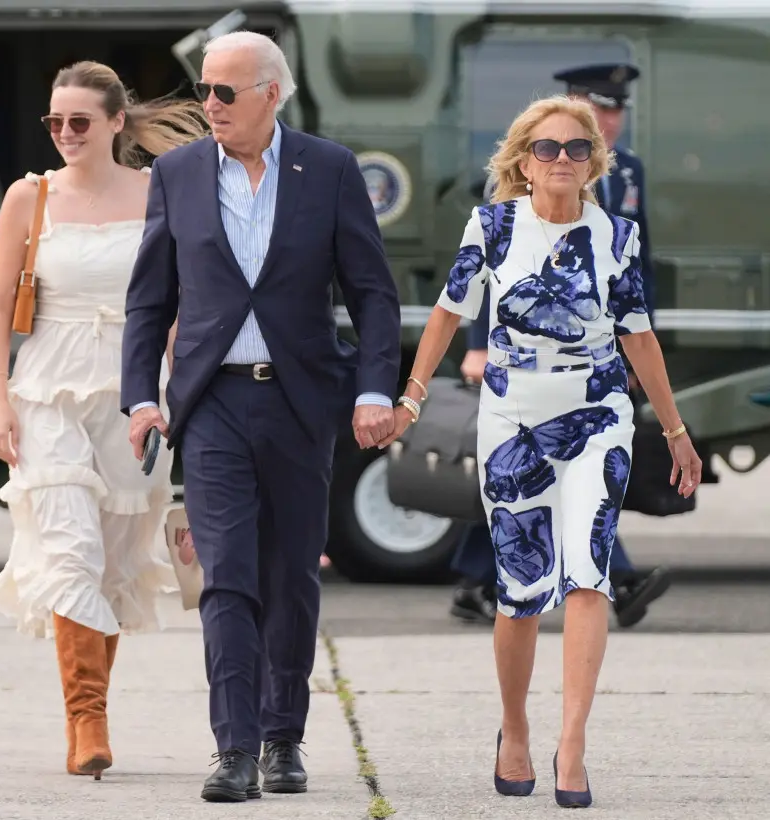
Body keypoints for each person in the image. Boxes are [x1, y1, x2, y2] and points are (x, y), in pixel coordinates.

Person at [386, 94, 702, 807]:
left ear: (593, 162)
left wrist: (677, 431)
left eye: (577, 149)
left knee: (589, 571)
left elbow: (639, 335)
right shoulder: (493, 226)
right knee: (522, 591)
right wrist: (411, 394)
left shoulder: (617, 236)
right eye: (548, 149)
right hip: (514, 417)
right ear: (524, 163)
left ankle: (572, 743)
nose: (562, 160)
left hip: (598, 414)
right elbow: (448, 309)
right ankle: (515, 729)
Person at [121, 31, 402, 801]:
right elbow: (150, 299)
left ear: (271, 94)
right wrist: (142, 396)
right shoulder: (176, 173)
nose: (208, 105)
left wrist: (377, 389)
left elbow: (373, 294)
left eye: (225, 92)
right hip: (211, 406)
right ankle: (234, 748)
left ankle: (284, 737)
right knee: (226, 579)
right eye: (204, 89)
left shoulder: (331, 170)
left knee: (291, 579)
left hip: (302, 400)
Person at [0, 60, 205, 779]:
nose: (66, 133)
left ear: (114, 122)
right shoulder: (29, 196)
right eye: (54, 121)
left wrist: (182, 400)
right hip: (47, 386)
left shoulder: (156, 190)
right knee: (69, 549)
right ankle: (87, 720)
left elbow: (178, 304)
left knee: (109, 562)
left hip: (135, 391)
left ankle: (92, 710)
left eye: (80, 121)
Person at [448, 62, 670, 629]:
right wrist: (479, 345)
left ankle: (496, 578)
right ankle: (502, 579)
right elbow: (492, 274)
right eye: (602, 108)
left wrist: (639, 348)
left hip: (596, 358)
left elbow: (634, 272)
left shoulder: (630, 174)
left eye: (618, 110)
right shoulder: (534, 171)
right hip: (524, 358)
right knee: (523, 468)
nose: (612, 120)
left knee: (578, 471)